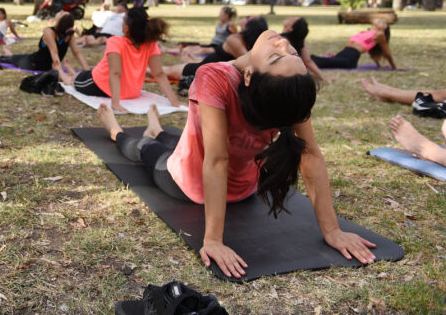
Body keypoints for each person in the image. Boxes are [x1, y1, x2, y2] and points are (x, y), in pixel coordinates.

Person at [96, 29, 376, 278]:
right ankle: (156, 127)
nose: (283, 44)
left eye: (278, 57)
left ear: (249, 75)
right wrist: (331, 230)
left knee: (144, 149)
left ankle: (115, 129)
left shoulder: (215, 76)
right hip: (244, 186)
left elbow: (217, 160)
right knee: (176, 139)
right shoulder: (289, 90)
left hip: (187, 184)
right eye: (290, 53)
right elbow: (310, 154)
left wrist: (213, 241)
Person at [59, 7, 181, 109]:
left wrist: (115, 103)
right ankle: (71, 71)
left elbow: (115, 73)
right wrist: (174, 101)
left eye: (123, 20)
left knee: (75, 80)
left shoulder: (115, 42)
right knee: (85, 73)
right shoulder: (151, 45)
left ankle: (68, 76)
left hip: (98, 84)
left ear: (126, 29)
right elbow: (159, 74)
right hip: (130, 92)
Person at [162, 16, 268, 81]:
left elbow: (249, 65)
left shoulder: (236, 40)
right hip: (206, 67)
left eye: (248, 17)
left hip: (205, 72)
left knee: (166, 71)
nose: (245, 17)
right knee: (167, 70)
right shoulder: (238, 40)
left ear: (248, 27)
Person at [0, 12, 89, 73]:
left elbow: (60, 52)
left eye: (62, 13)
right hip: (38, 61)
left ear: (59, 21)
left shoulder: (53, 32)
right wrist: (88, 72)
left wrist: (87, 71)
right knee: (15, 57)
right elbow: (72, 53)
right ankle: (4, 54)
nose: (61, 11)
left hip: (34, 63)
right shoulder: (59, 33)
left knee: (12, 59)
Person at [311, 20, 396, 70]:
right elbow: (371, 50)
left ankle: (306, 62)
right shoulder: (366, 32)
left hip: (350, 59)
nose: (381, 21)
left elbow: (387, 53)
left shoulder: (380, 34)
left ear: (383, 29)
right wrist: (378, 65)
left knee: (321, 61)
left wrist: (394, 67)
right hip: (343, 53)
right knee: (317, 58)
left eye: (383, 23)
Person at [279, 17, 324, 81]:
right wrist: (323, 77)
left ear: (291, 29)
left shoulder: (281, 40)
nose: (290, 17)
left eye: (292, 19)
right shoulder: (300, 41)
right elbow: (308, 61)